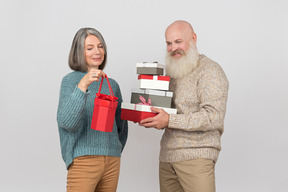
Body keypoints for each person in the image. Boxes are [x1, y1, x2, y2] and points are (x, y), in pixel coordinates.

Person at [139, 20, 229, 192]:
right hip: (167, 157)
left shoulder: (210, 71)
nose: (173, 48)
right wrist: (151, 115)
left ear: (193, 38)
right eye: (168, 43)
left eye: (178, 41)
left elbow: (213, 117)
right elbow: (169, 115)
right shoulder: (173, 71)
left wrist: (169, 120)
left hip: (197, 157)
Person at [57, 27, 128, 192]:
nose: (97, 51)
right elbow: (67, 123)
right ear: (79, 52)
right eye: (90, 48)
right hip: (83, 159)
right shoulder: (70, 81)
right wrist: (83, 86)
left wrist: (114, 149)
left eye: (100, 46)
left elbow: (121, 126)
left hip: (111, 160)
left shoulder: (112, 85)